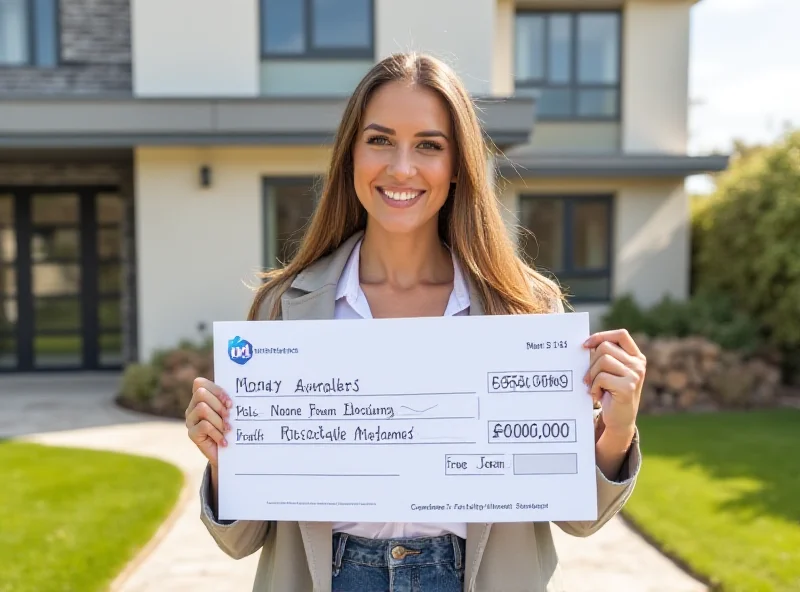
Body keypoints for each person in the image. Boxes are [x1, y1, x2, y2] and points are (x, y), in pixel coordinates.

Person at [185, 52, 645, 592]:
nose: (401, 168)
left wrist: (616, 430)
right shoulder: (282, 306)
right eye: (379, 140)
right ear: (350, 155)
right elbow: (240, 540)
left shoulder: (525, 308)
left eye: (429, 145)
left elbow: (579, 519)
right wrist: (223, 463)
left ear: (457, 167)